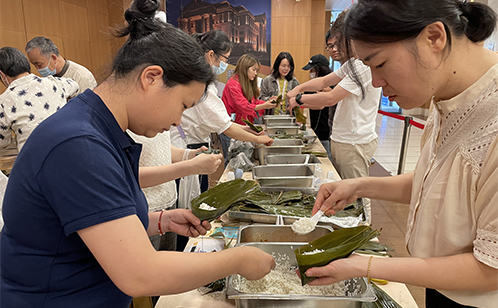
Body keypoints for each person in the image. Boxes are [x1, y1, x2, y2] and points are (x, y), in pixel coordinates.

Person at [0, 1, 275, 307]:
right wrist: (237, 260)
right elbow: (140, 273)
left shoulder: (98, 128)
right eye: (183, 106)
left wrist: (160, 221)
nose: (177, 122)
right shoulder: (78, 144)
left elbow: (91, 221)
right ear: (151, 78)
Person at [307, 1, 498, 307]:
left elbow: (491, 269)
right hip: (441, 283)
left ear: (434, 38)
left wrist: (362, 264)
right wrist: (357, 186)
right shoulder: (447, 94)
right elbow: (435, 185)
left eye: (378, 64)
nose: (376, 83)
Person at [170, 30, 273, 189]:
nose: (225, 64)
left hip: (194, 142)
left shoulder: (205, 82)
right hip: (185, 143)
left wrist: (247, 129)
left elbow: (224, 122)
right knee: (188, 196)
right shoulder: (200, 84)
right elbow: (226, 125)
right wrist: (259, 139)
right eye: (225, 58)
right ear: (211, 55)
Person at [287, 11, 381, 180]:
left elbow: (331, 98)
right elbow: (323, 81)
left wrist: (299, 99)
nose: (336, 48)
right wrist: (298, 88)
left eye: (339, 42)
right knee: (345, 189)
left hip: (354, 141)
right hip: (343, 138)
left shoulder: (363, 66)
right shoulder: (353, 63)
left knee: (356, 195)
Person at [0, 47, 79, 152]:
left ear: (2, 75)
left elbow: (3, 142)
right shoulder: (56, 83)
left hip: (35, 160)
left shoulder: (4, 101)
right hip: (70, 149)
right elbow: (75, 85)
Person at [220, 54, 277, 163]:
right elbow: (244, 106)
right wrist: (265, 105)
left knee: (243, 157)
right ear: (245, 68)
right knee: (232, 160)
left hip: (242, 126)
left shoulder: (247, 83)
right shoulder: (233, 84)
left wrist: (267, 102)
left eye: (257, 70)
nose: (256, 73)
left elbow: (254, 103)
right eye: (254, 70)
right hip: (230, 127)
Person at [26, 36, 97, 96]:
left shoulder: (81, 76)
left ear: (53, 58)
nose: (37, 69)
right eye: (34, 65)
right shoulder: (47, 79)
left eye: (39, 64)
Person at [301, 54, 333, 160]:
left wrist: (299, 102)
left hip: (326, 134)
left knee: (326, 161)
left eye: (313, 70)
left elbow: (320, 105)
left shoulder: (332, 86)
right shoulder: (312, 85)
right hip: (314, 130)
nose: (311, 73)